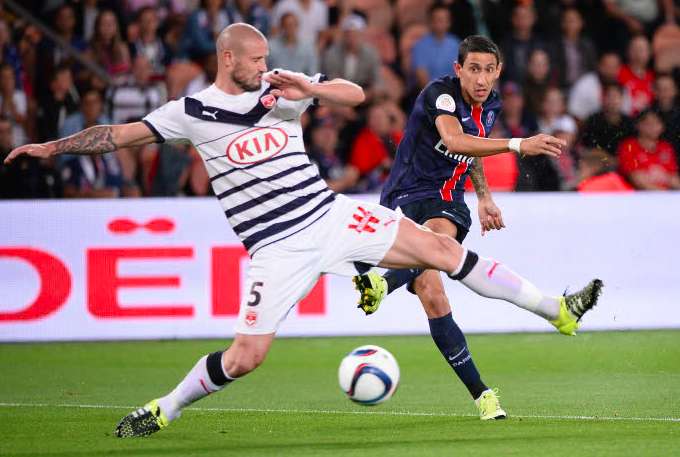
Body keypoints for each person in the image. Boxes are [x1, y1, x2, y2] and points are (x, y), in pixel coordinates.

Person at [3, 24, 602, 437]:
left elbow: (356, 93)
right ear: (227, 59)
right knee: (246, 358)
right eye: (256, 61)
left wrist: (308, 87)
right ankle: (166, 407)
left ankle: (556, 310)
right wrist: (49, 147)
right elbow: (120, 133)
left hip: (331, 213)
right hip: (276, 247)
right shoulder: (189, 113)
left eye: (268, 61)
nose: (264, 68)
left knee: (442, 251)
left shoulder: (277, 90)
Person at [351, 35, 601, 421]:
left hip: (446, 201)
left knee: (437, 246)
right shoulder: (441, 95)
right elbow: (454, 138)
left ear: (498, 71)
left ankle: (385, 284)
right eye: (473, 69)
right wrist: (518, 145)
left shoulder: (490, 104)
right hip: (403, 196)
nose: (481, 79)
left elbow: (472, 147)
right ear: (458, 70)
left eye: (488, 70)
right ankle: (495, 372)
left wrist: (484, 196)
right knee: (433, 294)